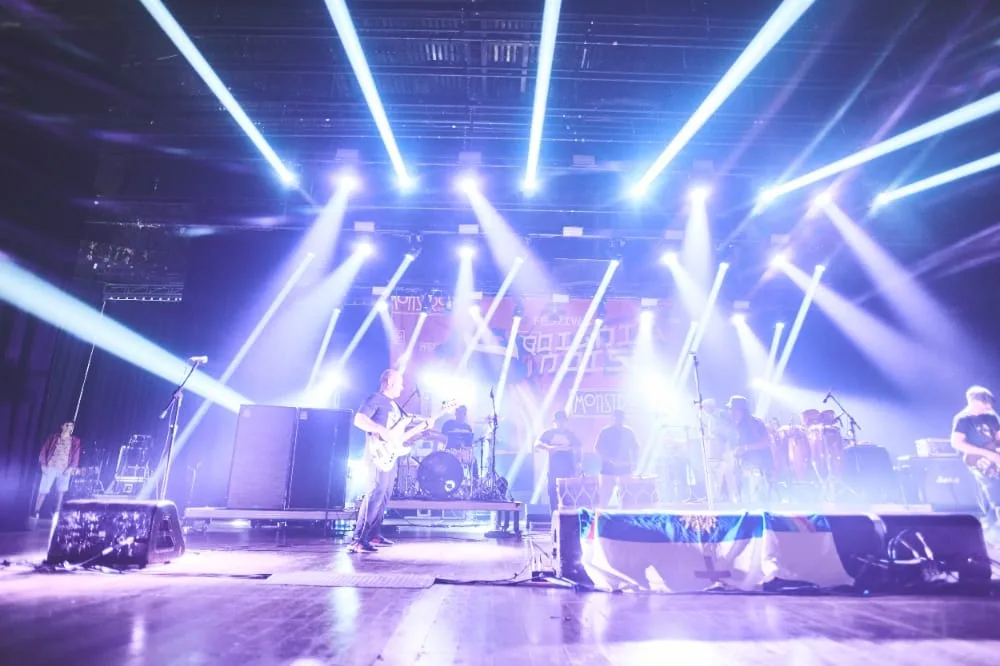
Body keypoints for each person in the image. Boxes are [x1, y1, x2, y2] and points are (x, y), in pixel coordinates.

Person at [350, 369, 422, 553]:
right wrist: (380, 429)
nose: (402, 387)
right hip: (377, 455)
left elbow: (397, 435)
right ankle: (358, 539)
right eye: (400, 383)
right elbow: (359, 419)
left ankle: (374, 534)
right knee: (376, 492)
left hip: (390, 455)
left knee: (385, 494)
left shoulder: (395, 407)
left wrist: (423, 426)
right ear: (389, 382)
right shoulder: (376, 399)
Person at [950, 386, 1000, 528]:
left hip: (994, 454)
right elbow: (957, 443)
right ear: (972, 401)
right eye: (985, 404)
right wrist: (988, 454)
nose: (988, 407)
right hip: (977, 459)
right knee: (992, 487)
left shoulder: (991, 416)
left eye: (989, 404)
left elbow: (998, 437)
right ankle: (993, 523)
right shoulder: (962, 419)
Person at [726, 395, 773, 506]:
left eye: (732, 409)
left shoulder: (755, 424)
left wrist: (746, 448)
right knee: (744, 499)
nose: (730, 412)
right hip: (742, 466)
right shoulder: (736, 425)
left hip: (756, 465)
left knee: (757, 500)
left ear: (740, 410)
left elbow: (766, 442)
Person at [534, 410, 582, 513]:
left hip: (568, 467)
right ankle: (554, 515)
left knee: (568, 492)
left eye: (563, 420)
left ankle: (567, 515)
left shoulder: (570, 434)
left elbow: (578, 447)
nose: (561, 423)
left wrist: (578, 463)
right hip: (554, 468)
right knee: (553, 491)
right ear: (554, 422)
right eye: (559, 421)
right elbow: (537, 444)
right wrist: (548, 448)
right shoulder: (549, 433)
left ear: (566, 421)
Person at [35, 421, 81, 517]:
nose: (69, 428)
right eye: (67, 425)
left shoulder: (75, 441)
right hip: (50, 467)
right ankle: (36, 511)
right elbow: (44, 450)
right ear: (62, 426)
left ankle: (57, 513)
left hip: (65, 470)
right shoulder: (53, 438)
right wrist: (43, 465)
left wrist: (71, 468)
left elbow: (76, 455)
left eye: (71, 426)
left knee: (60, 493)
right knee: (43, 491)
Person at [594, 410, 639, 507]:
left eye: (620, 418)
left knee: (627, 498)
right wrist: (609, 459)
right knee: (604, 499)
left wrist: (634, 462)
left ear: (623, 419)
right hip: (607, 469)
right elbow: (597, 448)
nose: (619, 420)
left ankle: (626, 515)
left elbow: (635, 448)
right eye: (616, 418)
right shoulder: (605, 432)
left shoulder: (628, 432)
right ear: (612, 418)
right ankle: (601, 514)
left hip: (624, 468)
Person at [702, 399, 737, 504]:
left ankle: (732, 497)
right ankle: (718, 496)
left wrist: (713, 436)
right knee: (718, 475)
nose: (703, 410)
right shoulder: (711, 418)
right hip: (716, 450)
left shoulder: (720, 415)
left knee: (728, 474)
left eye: (704, 408)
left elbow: (724, 431)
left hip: (724, 449)